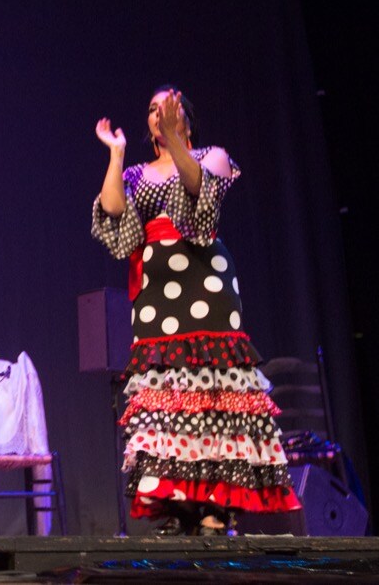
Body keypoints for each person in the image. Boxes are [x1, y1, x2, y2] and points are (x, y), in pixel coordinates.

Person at [91, 87, 299, 534]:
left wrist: (176, 142)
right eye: (151, 108)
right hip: (156, 290)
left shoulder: (213, 156)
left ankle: (216, 505)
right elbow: (114, 215)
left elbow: (198, 206)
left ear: (186, 117)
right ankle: (180, 504)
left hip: (205, 283)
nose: (158, 113)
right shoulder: (137, 171)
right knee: (167, 397)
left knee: (211, 393)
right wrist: (116, 153)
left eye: (169, 106)